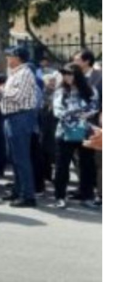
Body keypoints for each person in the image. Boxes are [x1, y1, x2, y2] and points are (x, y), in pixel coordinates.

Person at [52, 63, 99, 209]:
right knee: (62, 166)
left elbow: (94, 108)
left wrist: (73, 113)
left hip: (85, 131)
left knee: (87, 165)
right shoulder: (60, 91)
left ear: (77, 75)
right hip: (64, 132)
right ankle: (60, 196)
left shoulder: (90, 89)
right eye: (64, 74)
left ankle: (87, 196)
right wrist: (77, 114)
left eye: (69, 73)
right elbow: (57, 111)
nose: (66, 76)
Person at [0, 46, 39, 208]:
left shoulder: (25, 73)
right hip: (12, 117)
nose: (7, 58)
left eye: (10, 55)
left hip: (20, 117)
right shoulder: (15, 73)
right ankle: (18, 190)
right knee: (15, 158)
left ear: (18, 57)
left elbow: (17, 96)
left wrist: (1, 90)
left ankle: (28, 196)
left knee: (21, 158)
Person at [73, 49, 102, 206]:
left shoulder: (100, 77)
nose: (74, 62)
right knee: (80, 159)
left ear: (86, 61)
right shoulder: (74, 77)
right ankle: (84, 189)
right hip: (77, 126)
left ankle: (101, 193)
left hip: (96, 125)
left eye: (77, 60)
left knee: (97, 161)